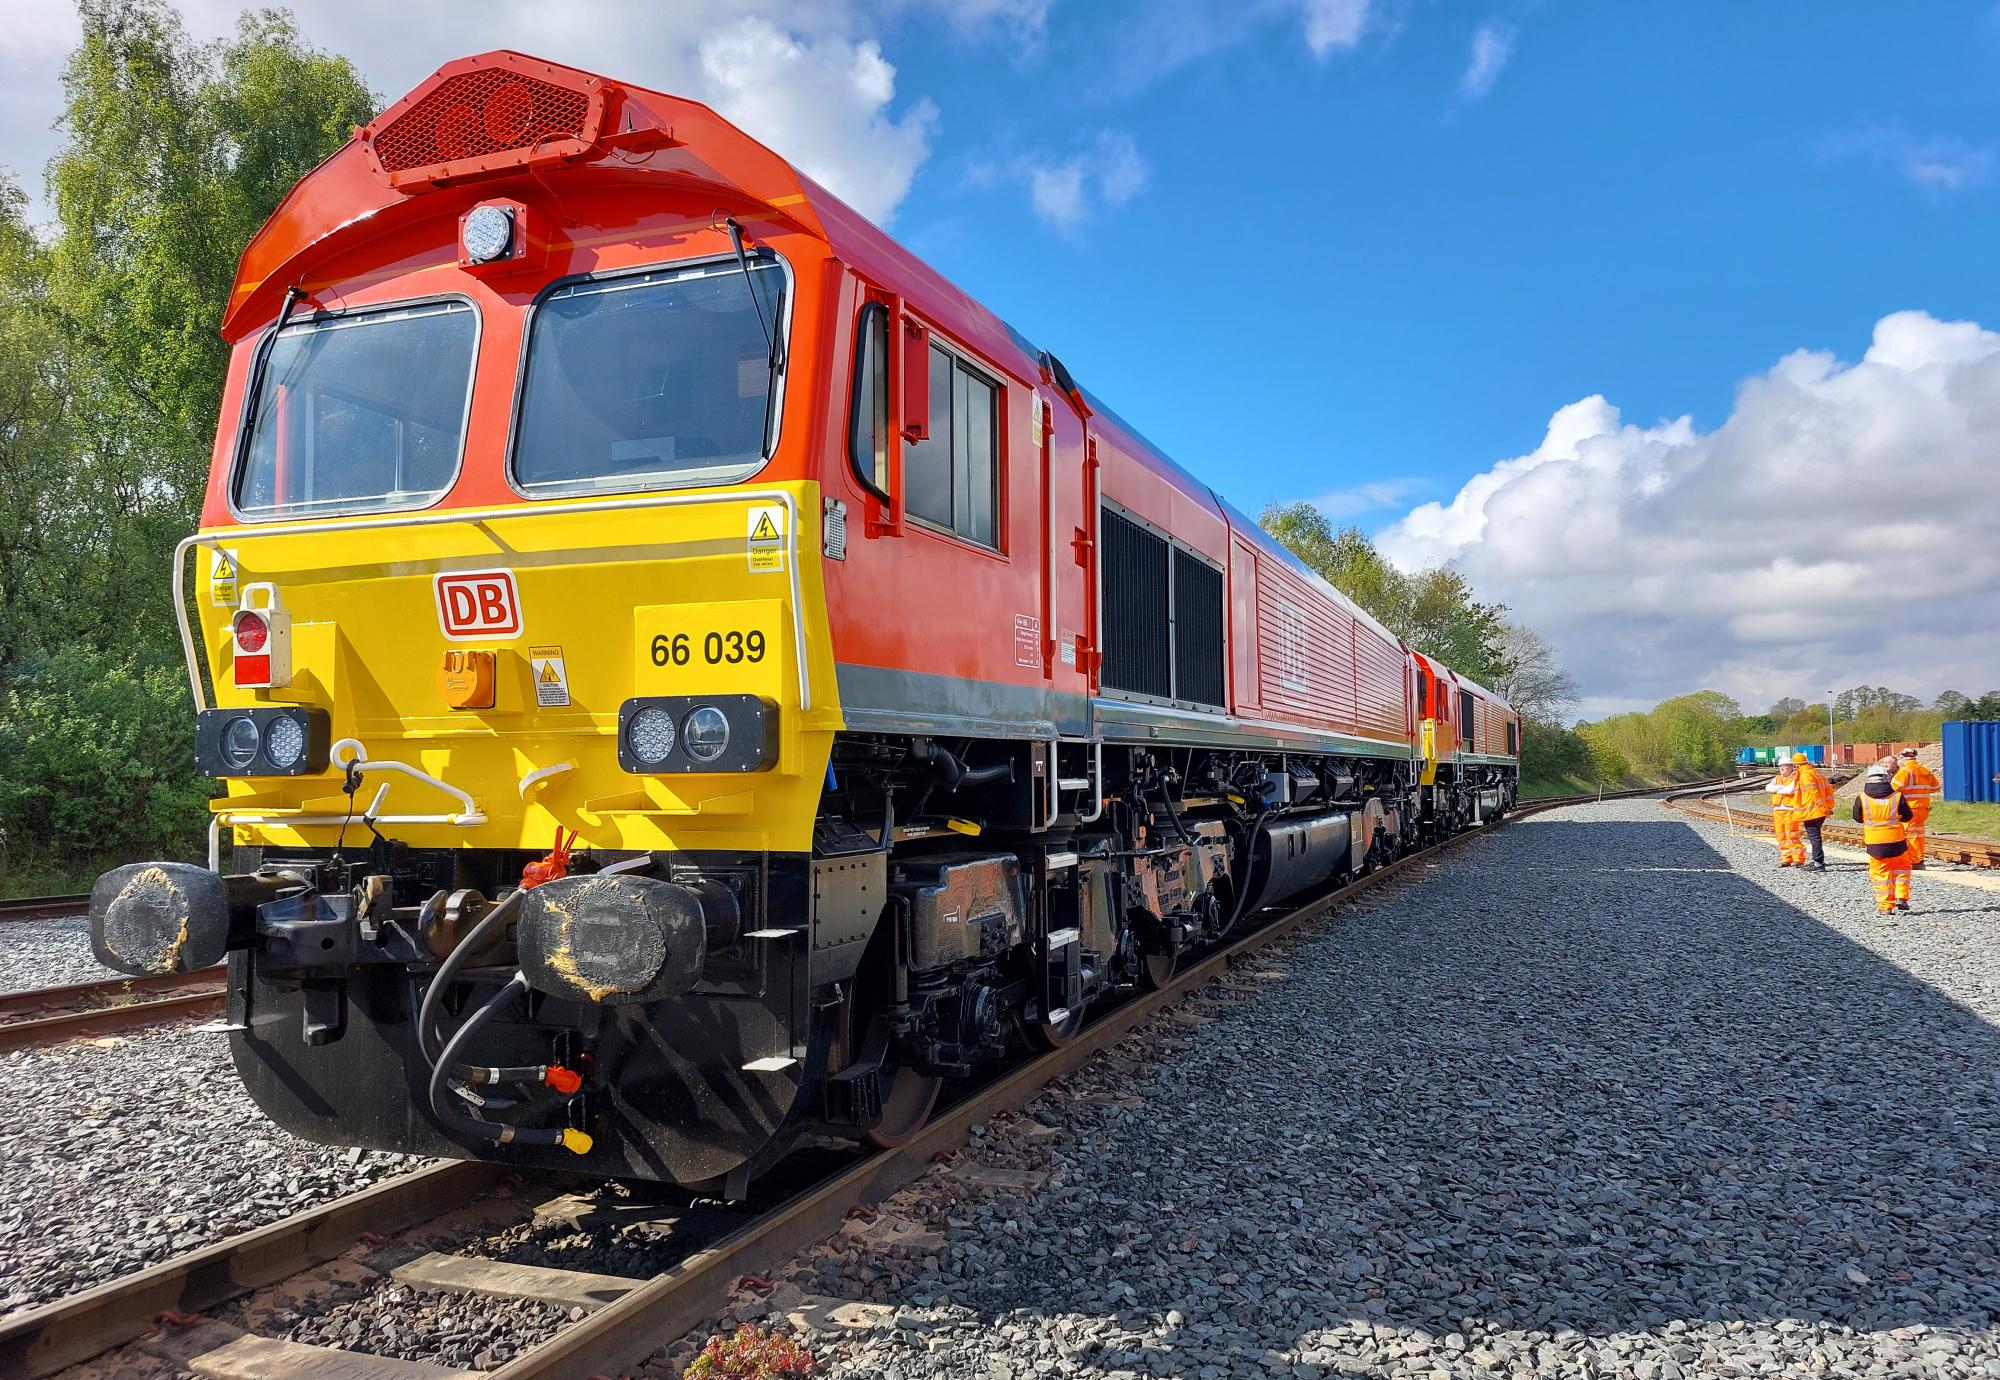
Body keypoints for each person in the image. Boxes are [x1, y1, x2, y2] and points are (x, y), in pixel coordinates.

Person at [1851, 764, 1914, 914]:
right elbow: (1908, 816)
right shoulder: (1897, 796)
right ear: (1887, 778)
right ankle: (1901, 898)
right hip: (1897, 841)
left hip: (1875, 843)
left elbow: (1857, 817)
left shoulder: (1862, 797)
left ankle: (1886, 906)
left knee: (1880, 874)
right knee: (1902, 868)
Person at [1891, 748, 1941, 868]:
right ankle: (1920, 858)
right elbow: (1937, 787)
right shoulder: (1925, 770)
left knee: (1910, 834)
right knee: (1920, 835)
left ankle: (1915, 861)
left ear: (1903, 758)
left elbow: (1893, 789)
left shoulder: (1905, 771)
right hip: (1923, 808)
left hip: (1910, 808)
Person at [1794, 752, 1834, 871]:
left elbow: (1812, 793)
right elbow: (1829, 790)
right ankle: (1818, 861)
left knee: (1814, 837)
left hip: (1812, 811)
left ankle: (1818, 863)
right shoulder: (1817, 773)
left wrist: (1822, 807)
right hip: (1820, 810)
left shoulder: (1805, 775)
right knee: (1816, 836)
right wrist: (1828, 807)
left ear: (1797, 765)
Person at [1767, 762, 1805, 866]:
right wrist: (1781, 788)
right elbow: (1768, 788)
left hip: (1790, 810)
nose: (1782, 768)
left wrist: (1777, 789)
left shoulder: (1795, 778)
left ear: (1791, 767)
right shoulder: (1777, 778)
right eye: (1781, 766)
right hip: (1778, 811)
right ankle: (1786, 858)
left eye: (1785, 766)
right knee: (1781, 836)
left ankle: (1798, 858)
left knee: (1791, 835)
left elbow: (1790, 790)